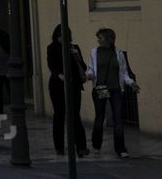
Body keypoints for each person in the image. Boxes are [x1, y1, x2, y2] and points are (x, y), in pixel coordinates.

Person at [86, 27, 137, 159]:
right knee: (100, 117)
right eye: (98, 38)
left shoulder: (119, 54)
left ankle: (120, 149)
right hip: (101, 88)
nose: (98, 40)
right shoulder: (94, 52)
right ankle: (96, 144)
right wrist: (90, 75)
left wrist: (131, 83)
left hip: (115, 88)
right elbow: (90, 68)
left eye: (101, 38)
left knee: (118, 119)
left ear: (109, 39)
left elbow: (124, 72)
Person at [47, 25, 89, 157]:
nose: (62, 38)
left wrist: (78, 57)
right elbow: (51, 65)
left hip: (74, 85)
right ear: (56, 36)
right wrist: (60, 75)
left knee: (75, 116)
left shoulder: (74, 47)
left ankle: (81, 147)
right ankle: (59, 147)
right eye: (59, 35)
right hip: (57, 86)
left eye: (64, 35)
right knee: (59, 115)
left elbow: (83, 66)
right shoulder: (52, 48)